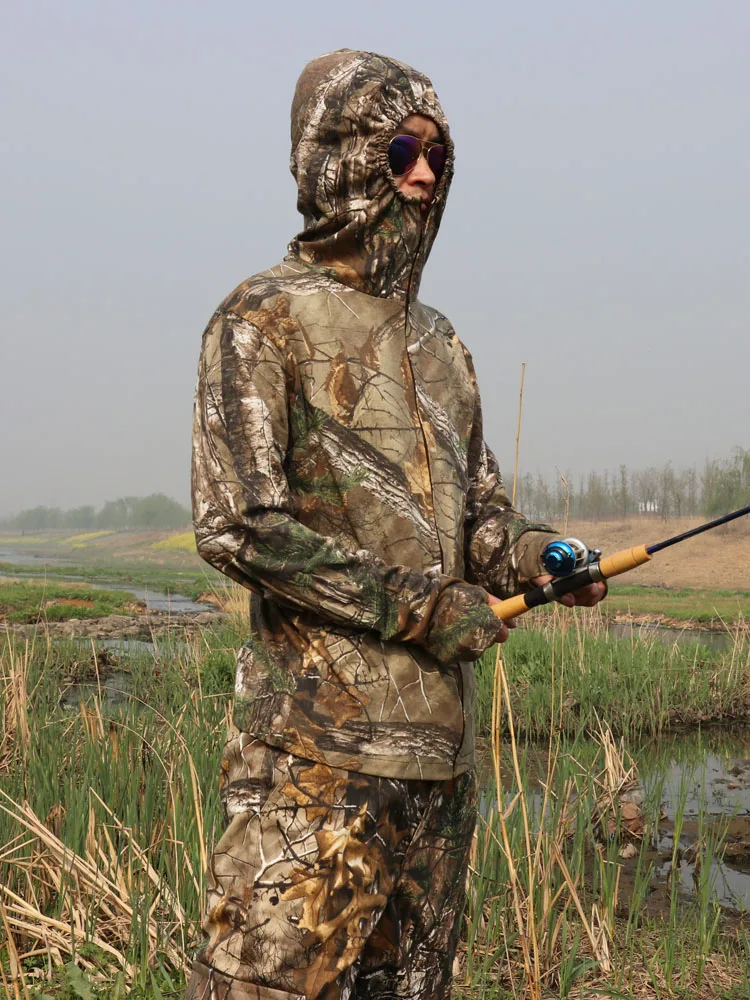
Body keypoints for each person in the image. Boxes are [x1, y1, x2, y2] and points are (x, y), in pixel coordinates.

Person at [185, 49, 605, 1000]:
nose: (423, 175)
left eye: (438, 156)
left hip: (439, 770)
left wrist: (540, 556)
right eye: (401, 150)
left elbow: (479, 521)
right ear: (335, 155)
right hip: (314, 764)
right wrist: (421, 608)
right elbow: (239, 526)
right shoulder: (259, 319)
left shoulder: (441, 343)